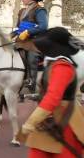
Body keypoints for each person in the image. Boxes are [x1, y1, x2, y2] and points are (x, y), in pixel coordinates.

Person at [17, 27, 84, 158]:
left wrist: (31, 123)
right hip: (50, 118)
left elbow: (52, 98)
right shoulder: (55, 63)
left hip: (62, 119)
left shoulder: (62, 66)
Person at [14, 0, 48, 93]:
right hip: (20, 40)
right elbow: (18, 28)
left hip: (34, 41)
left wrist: (29, 32)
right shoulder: (22, 11)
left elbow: (43, 26)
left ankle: (31, 82)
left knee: (31, 56)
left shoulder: (39, 10)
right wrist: (9, 35)